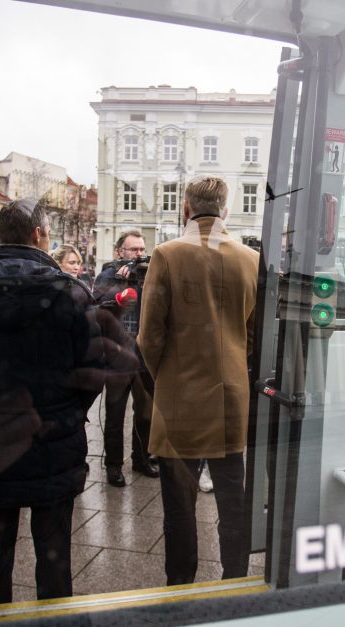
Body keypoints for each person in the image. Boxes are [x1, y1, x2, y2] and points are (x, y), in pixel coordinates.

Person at [0, 198, 106, 605]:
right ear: (38, 235)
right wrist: (67, 412)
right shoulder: (71, 293)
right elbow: (93, 370)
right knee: (54, 558)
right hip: (53, 438)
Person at [138, 175, 258, 585]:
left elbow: (148, 336)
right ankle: (235, 580)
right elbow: (254, 337)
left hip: (180, 399)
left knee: (180, 504)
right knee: (232, 498)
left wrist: (167, 377)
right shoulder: (249, 259)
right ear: (225, 211)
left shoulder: (166, 255)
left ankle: (180, 586)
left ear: (185, 208)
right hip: (231, 397)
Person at [93, 230, 157, 487]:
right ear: (120, 252)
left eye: (142, 250)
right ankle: (113, 466)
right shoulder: (109, 273)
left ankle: (141, 459)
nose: (139, 255)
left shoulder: (149, 274)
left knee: (145, 412)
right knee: (115, 413)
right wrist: (120, 288)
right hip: (118, 354)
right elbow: (97, 303)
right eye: (133, 250)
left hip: (143, 354)